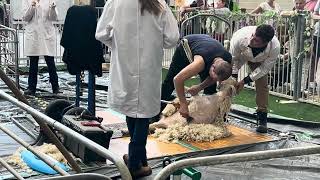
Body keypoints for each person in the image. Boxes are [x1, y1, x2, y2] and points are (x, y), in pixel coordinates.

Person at [95, 0, 179, 178]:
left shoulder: (116, 2)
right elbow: (172, 38)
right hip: (149, 66)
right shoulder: (159, 4)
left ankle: (136, 158)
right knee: (143, 113)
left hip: (124, 64)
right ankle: (136, 161)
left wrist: (118, 45)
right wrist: (155, 42)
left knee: (131, 109)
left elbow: (101, 34)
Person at [158, 34, 232, 120]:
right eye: (213, 77)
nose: (213, 79)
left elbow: (213, 78)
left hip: (206, 46)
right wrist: (183, 104)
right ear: (213, 67)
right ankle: (156, 113)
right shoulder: (199, 63)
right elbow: (177, 79)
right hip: (186, 47)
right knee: (169, 82)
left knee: (211, 89)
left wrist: (199, 87)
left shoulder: (228, 60)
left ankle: (209, 115)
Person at [230, 24, 280, 133]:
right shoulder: (239, 37)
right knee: (228, 79)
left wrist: (244, 81)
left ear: (266, 43)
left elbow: (264, 69)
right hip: (241, 55)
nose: (252, 40)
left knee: (262, 85)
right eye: (253, 36)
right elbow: (234, 60)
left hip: (260, 61)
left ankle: (262, 116)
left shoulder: (275, 47)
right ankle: (222, 110)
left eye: (256, 41)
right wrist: (234, 77)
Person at [22, 0, 60, 96]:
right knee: (33, 62)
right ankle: (31, 88)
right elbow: (25, 18)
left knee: (50, 61)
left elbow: (54, 18)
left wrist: (53, 8)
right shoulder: (27, 1)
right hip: (34, 34)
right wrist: (32, 6)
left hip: (46, 33)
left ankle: (55, 87)